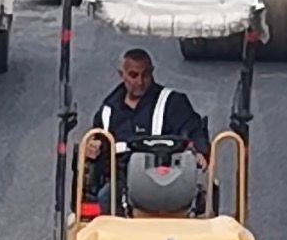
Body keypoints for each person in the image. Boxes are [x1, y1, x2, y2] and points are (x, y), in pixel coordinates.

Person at [84, 49, 210, 214]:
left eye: (145, 75)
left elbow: (193, 128)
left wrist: (200, 150)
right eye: (133, 75)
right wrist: (92, 148)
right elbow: (97, 141)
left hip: (166, 178)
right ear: (121, 75)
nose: (140, 82)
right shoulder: (108, 111)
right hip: (123, 181)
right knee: (105, 197)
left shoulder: (173, 103)